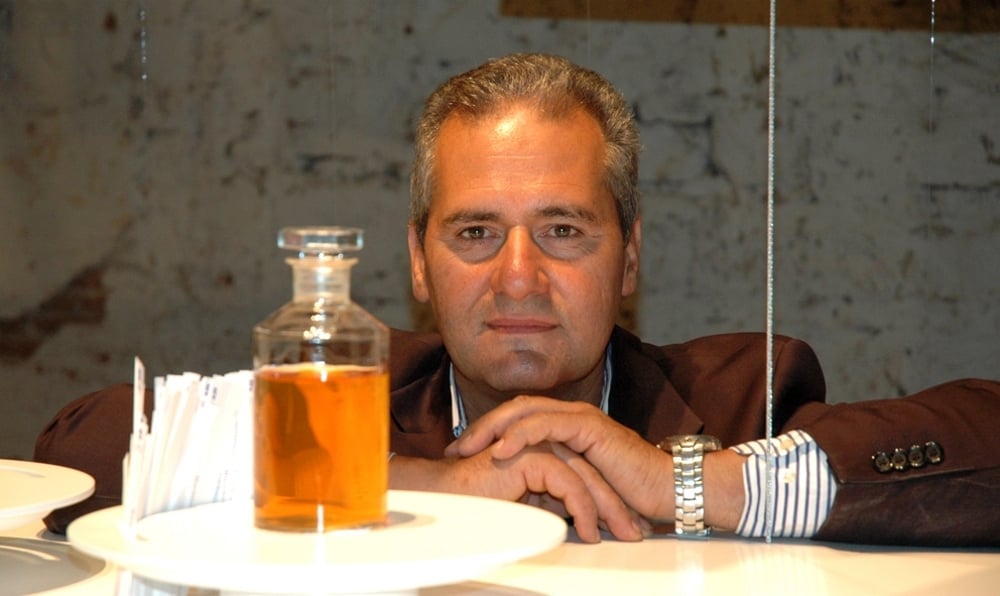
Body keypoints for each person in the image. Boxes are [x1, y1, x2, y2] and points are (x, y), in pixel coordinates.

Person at [36, 53, 1000, 546]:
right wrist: (413, 485)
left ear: (629, 261)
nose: (518, 277)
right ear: (418, 264)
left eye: (565, 230)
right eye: (474, 233)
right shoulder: (362, 404)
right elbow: (79, 448)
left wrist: (686, 487)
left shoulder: (746, 395)